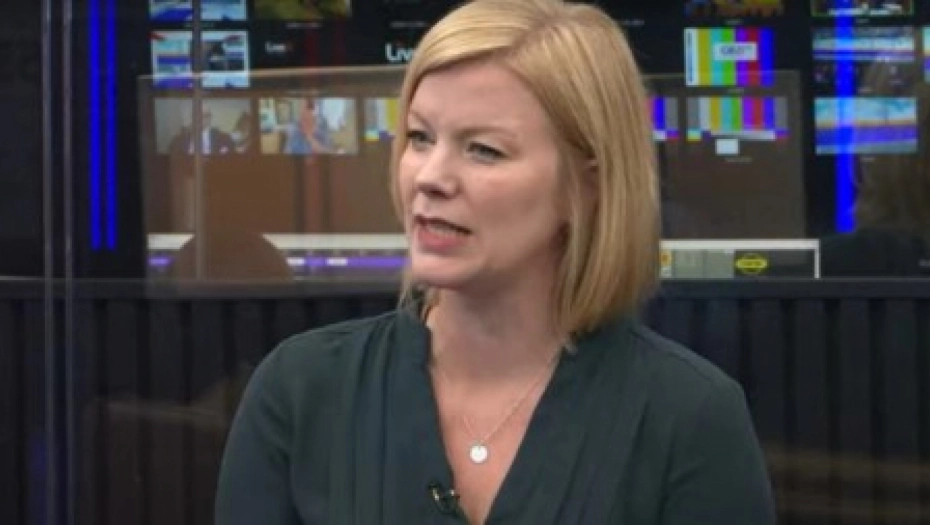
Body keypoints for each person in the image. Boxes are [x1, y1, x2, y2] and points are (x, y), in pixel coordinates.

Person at [214, 0, 777, 523]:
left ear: (588, 185)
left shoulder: (689, 417)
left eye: (483, 149)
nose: (430, 177)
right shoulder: (301, 390)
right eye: (419, 137)